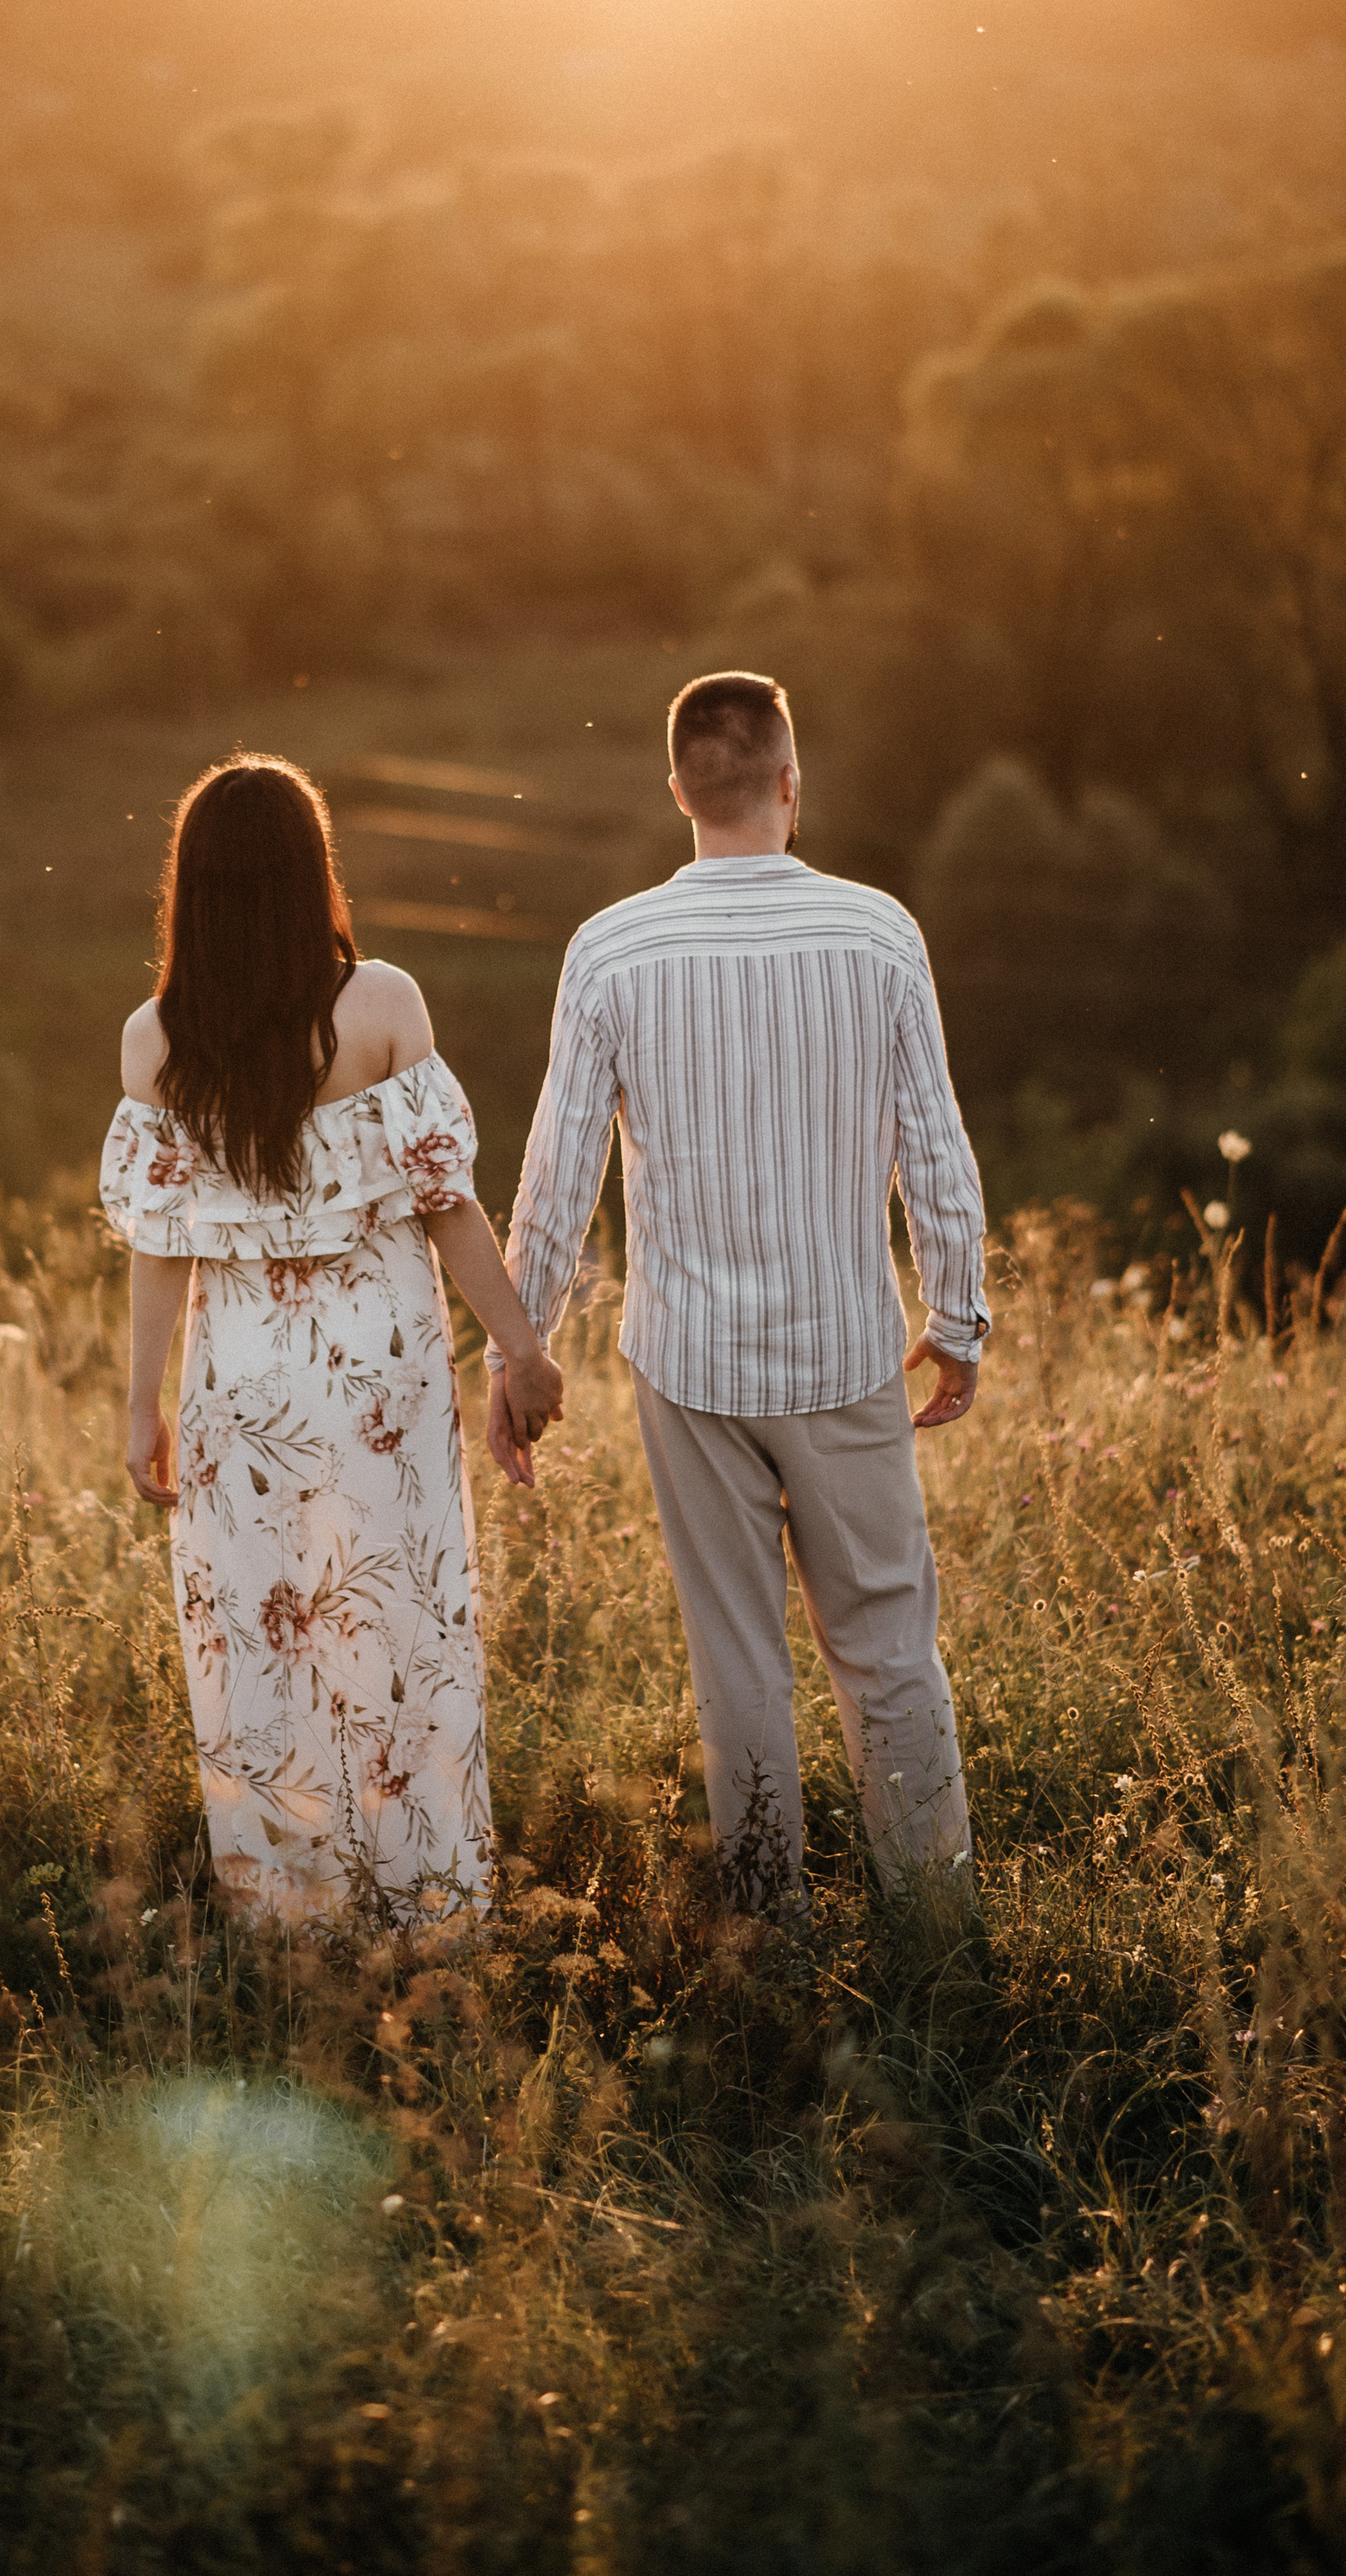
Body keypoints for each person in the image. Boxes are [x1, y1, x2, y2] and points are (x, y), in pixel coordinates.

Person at [492, 672, 988, 1903]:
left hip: (691, 1364)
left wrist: (522, 1348)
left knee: (739, 1665)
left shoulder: (611, 947)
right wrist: (959, 1316)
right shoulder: (880, 933)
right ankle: (934, 1926)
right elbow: (936, 1144)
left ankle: (769, 1933)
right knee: (886, 1652)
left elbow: (559, 1169)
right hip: (845, 1350)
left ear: (677, 792)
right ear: (789, 784)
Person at [100, 754, 564, 1920]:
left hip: (240, 1375)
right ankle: (430, 1904)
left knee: (260, 1634)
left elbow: (161, 1243)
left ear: (191, 887)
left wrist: (138, 1403)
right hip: (380, 1373)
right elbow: (446, 1203)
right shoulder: (384, 1006)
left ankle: (288, 1911)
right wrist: (518, 1344)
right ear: (315, 873)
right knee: (399, 1624)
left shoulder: (153, 1040)